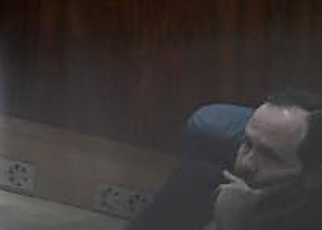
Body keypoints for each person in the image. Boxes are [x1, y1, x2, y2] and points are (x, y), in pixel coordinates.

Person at [131, 90, 322, 229]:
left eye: (270, 156)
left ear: (312, 175)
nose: (247, 163)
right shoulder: (197, 182)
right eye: (247, 143)